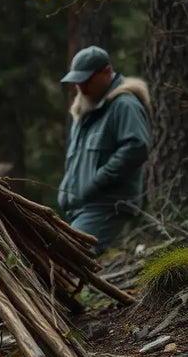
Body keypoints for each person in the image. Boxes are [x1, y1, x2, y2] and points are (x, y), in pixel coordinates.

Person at [58, 46, 151, 255]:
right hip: (82, 207)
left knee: (69, 257)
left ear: (106, 73)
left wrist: (97, 180)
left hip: (106, 205)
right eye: (77, 81)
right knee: (60, 258)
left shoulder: (124, 105)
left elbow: (136, 147)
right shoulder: (85, 111)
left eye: (87, 80)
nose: (81, 87)